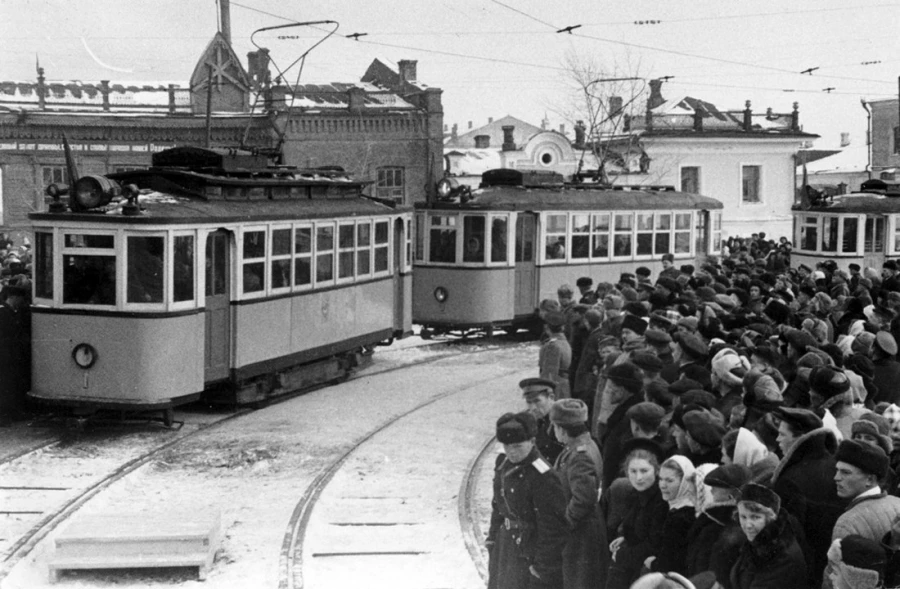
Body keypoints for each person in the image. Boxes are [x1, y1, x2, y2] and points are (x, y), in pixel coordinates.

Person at [487, 412, 568, 589]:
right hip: (505, 546)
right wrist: (492, 539)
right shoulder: (503, 464)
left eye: (517, 446)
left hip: (528, 552)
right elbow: (498, 506)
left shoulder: (543, 476)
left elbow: (553, 528)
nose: (511, 452)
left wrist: (543, 566)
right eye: (507, 446)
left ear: (532, 441)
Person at [548, 399, 603, 589]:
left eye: (554, 427)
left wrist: (562, 527)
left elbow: (583, 499)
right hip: (583, 531)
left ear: (562, 429)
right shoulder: (583, 446)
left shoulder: (580, 456)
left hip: (581, 535)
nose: (554, 431)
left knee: (578, 582)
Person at [605, 439, 668, 589]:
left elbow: (653, 544)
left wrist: (621, 555)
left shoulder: (660, 500)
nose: (638, 478)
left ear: (657, 471)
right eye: (633, 471)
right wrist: (624, 538)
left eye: (644, 471)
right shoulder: (637, 494)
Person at [730, 483, 808, 589]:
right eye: (743, 517)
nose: (748, 525)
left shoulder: (783, 556)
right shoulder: (758, 541)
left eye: (755, 517)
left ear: (770, 518)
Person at [686, 464, 750, 587]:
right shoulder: (718, 521)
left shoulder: (713, 525)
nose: (711, 491)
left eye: (716, 488)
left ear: (731, 495)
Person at [651, 455, 696, 576]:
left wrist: (652, 563)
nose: (662, 485)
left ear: (684, 482)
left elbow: (669, 563)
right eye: (660, 479)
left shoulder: (681, 518)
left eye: (669, 480)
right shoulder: (671, 506)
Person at [521, 378, 566, 465]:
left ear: (551, 397)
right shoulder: (532, 420)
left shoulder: (563, 420)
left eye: (537, 401)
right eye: (529, 402)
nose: (533, 407)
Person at [539, 311, 572, 399]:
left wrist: (545, 393)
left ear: (546, 327)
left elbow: (549, 374)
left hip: (555, 389)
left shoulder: (552, 346)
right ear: (563, 327)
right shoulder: (563, 341)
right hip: (563, 386)